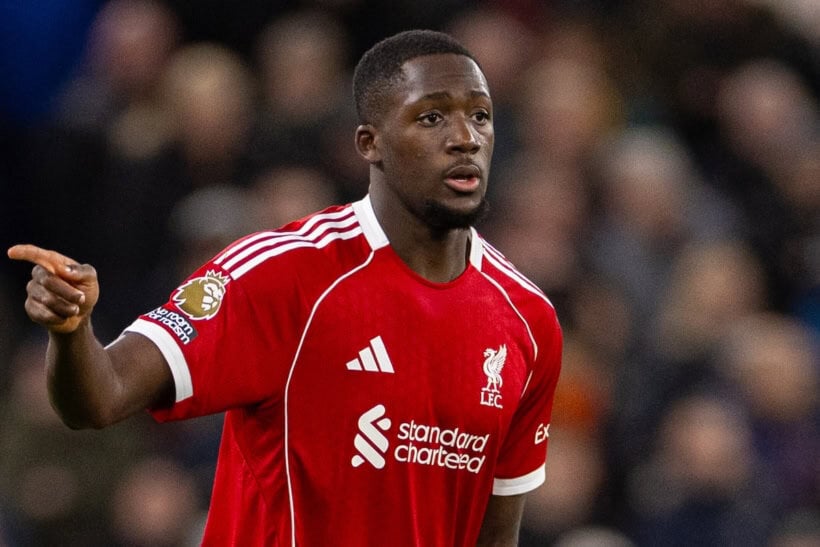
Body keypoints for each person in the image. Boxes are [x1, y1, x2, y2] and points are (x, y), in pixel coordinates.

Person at [8, 29, 563, 546]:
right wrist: (71, 329)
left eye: (482, 116)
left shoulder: (528, 321)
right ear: (369, 144)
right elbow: (100, 396)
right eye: (432, 117)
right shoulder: (282, 275)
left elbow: (494, 536)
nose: (465, 138)